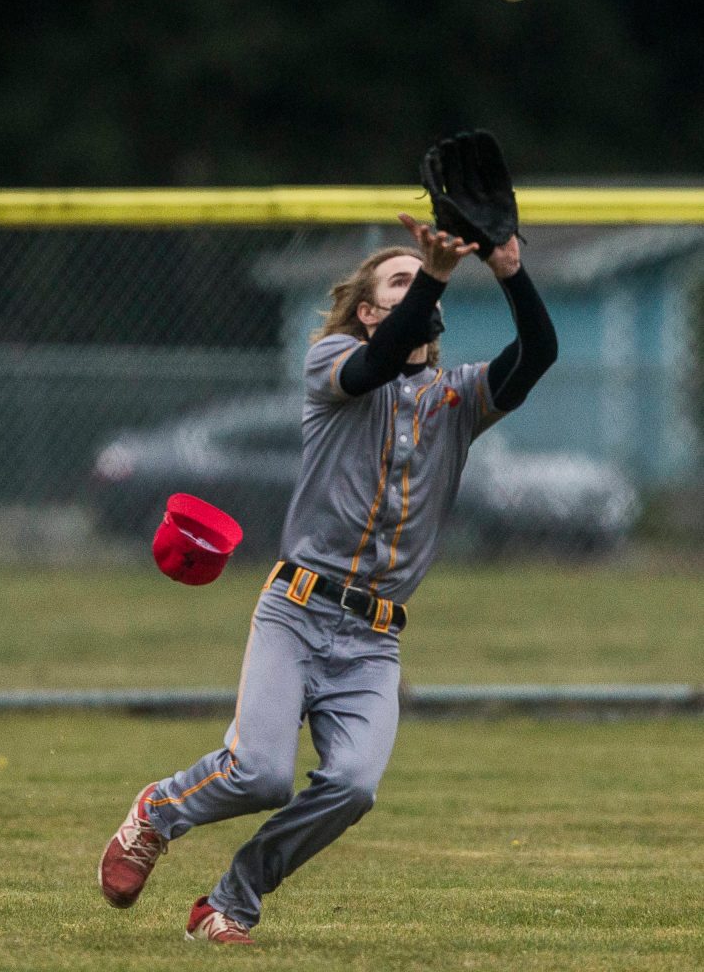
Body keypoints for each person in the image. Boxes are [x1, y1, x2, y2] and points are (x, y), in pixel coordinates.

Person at [98, 211, 558, 945]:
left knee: (352, 786)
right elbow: (375, 366)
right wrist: (436, 269)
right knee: (261, 775)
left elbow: (537, 353)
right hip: (298, 610)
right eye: (399, 280)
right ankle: (157, 813)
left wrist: (507, 264)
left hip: (374, 639)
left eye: (422, 278)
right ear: (372, 311)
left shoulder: (457, 399)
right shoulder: (334, 366)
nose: (419, 284)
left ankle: (228, 902)